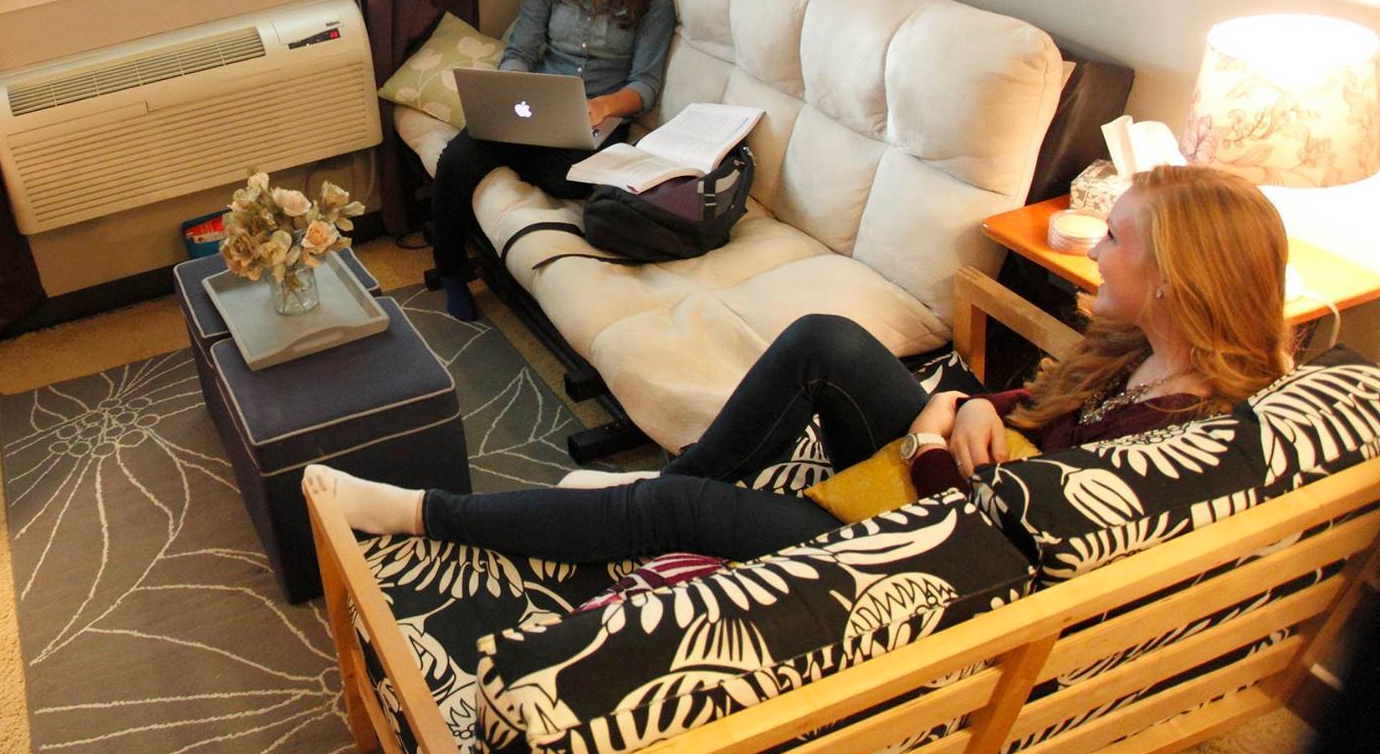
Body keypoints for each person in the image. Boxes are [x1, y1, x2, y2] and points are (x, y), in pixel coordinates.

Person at [314, 165, 1291, 564]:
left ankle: (420, 514)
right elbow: (1018, 410)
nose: (1095, 250)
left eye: (1116, 239)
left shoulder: (1172, 437)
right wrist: (963, 406)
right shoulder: (1138, 353)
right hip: (956, 475)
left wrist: (940, 429)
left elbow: (1014, 531)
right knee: (824, 337)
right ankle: (681, 478)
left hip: (935, 548)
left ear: (1175, 278)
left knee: (671, 513)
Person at [428, 0, 675, 321]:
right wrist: (514, 90)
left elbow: (646, 84)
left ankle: (525, 156)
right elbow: (520, 51)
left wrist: (603, 106)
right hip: (534, 105)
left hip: (598, 119)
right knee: (457, 159)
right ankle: (450, 271)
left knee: (569, 181)